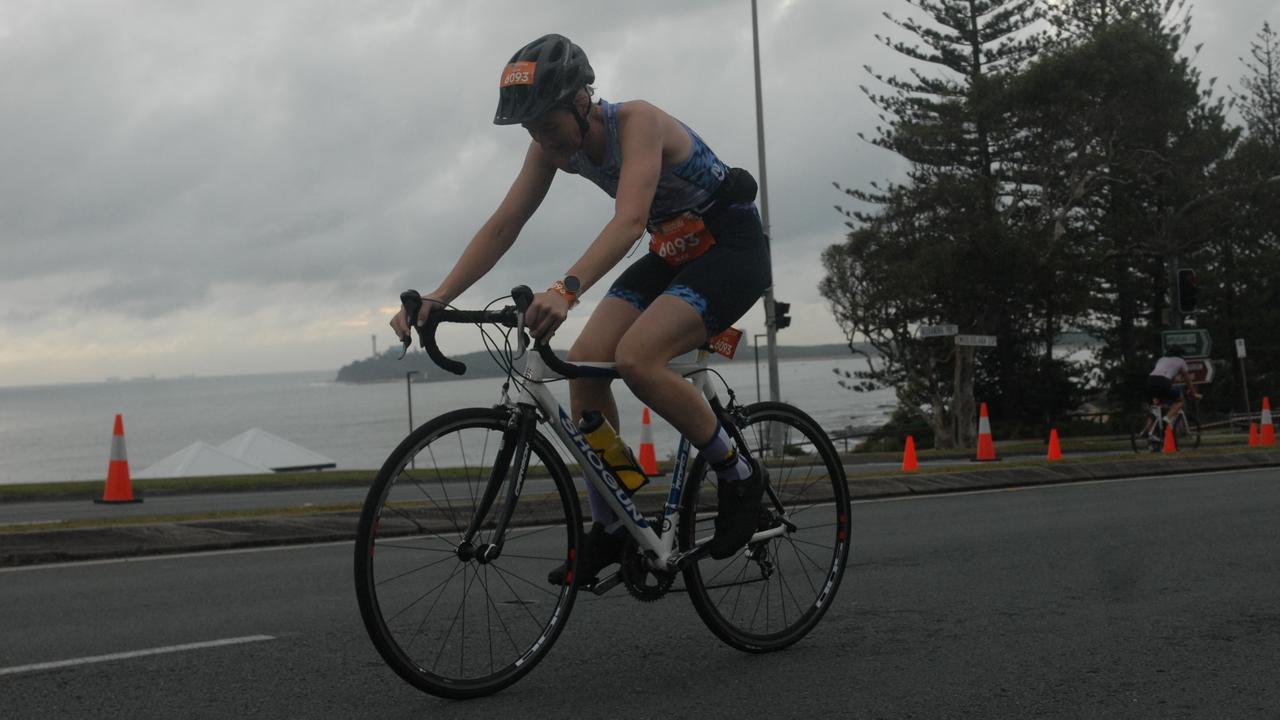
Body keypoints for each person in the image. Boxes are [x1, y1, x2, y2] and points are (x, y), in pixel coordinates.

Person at [389, 34, 772, 585]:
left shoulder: (638, 122)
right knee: (586, 366)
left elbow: (628, 221)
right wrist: (438, 297)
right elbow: (503, 225)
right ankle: (613, 524)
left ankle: (738, 475)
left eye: (547, 124)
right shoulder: (549, 148)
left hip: (730, 246)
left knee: (638, 359)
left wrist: (565, 290)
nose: (541, 139)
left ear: (581, 100)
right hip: (673, 249)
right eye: (530, 130)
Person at [1146, 345, 1202, 428]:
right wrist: (1194, 393)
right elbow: (1188, 380)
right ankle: (1167, 419)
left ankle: (1147, 430)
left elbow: (1160, 374)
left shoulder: (1162, 359)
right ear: (1180, 354)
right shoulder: (1181, 361)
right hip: (1164, 381)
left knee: (1155, 407)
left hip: (1150, 380)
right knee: (1180, 400)